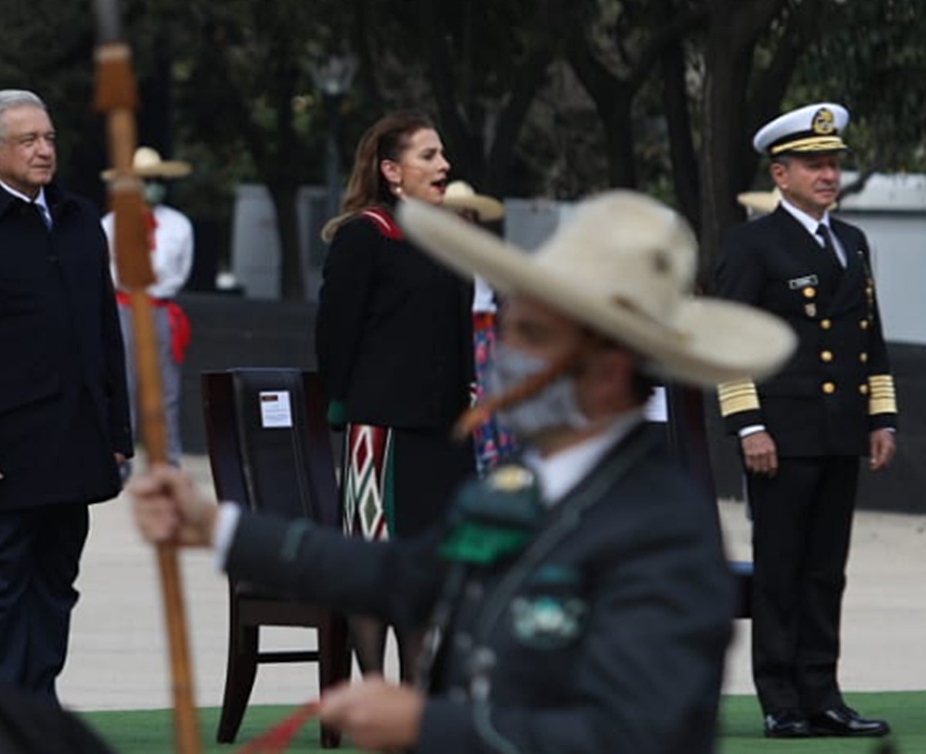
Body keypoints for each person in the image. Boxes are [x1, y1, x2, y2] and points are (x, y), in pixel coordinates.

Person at [131, 191, 796, 753]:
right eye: (508, 330)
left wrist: (425, 722)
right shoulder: (517, 485)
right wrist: (217, 527)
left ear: (605, 369)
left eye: (532, 337)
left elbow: (635, 732)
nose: (504, 357)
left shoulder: (660, 526)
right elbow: (402, 574)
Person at [0, 89, 132, 705]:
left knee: (57, 580)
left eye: (49, 138)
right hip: (3, 446)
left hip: (76, 437)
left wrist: (117, 434)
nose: (44, 151)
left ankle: (36, 707)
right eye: (28, 141)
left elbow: (102, 333)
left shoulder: (77, 219)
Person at [715, 102, 897, 739]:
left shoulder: (852, 242)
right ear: (780, 173)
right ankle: (781, 699)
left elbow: (867, 339)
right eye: (814, 165)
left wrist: (882, 417)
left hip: (840, 430)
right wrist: (748, 426)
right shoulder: (751, 245)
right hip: (782, 434)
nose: (828, 175)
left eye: (834, 164)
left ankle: (823, 693)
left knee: (826, 569)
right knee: (781, 568)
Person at [315, 111, 474, 680]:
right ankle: (378, 692)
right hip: (381, 429)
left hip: (446, 432)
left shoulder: (453, 237)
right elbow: (335, 332)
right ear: (392, 171)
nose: (444, 165)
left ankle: (421, 694)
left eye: (442, 154)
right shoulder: (366, 235)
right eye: (428, 155)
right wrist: (344, 403)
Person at [100, 147, 194, 465]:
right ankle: (118, 458)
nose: (151, 185)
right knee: (120, 384)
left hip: (158, 307)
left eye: (155, 179)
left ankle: (167, 459)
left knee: (166, 389)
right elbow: (106, 268)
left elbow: (179, 271)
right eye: (145, 180)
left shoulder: (178, 225)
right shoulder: (111, 223)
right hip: (123, 306)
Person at [441, 180, 518, 476]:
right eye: (455, 213)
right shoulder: (438, 255)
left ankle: (494, 460)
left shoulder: (484, 252)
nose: (462, 219)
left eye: (467, 214)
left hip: (487, 334)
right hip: (460, 334)